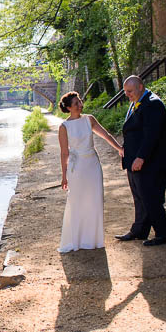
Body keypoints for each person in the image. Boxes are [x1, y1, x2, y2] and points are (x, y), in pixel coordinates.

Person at [58, 92, 124, 253]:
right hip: (77, 167)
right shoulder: (64, 127)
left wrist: (120, 149)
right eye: (76, 103)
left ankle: (93, 240)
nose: (80, 105)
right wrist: (64, 176)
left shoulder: (89, 119)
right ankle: (77, 240)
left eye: (80, 101)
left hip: (93, 165)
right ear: (68, 108)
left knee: (95, 200)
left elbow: (106, 135)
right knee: (77, 201)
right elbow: (64, 153)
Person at [114, 75, 166, 246]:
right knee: (139, 197)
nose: (127, 94)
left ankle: (164, 233)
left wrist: (141, 157)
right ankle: (139, 230)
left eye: (130, 91)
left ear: (140, 86)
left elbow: (152, 135)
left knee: (151, 198)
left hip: (151, 162)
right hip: (133, 160)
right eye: (125, 91)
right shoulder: (137, 101)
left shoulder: (153, 103)